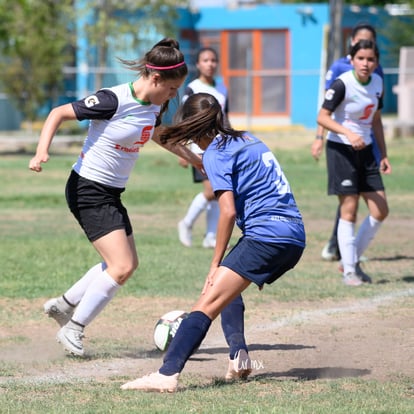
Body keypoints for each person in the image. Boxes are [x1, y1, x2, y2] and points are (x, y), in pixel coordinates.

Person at [28, 38, 203, 357]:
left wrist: (200, 161)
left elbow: (160, 135)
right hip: (87, 189)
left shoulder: (155, 104)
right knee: (120, 266)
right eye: (172, 88)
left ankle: (63, 306)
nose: (174, 95)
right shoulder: (113, 99)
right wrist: (41, 152)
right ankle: (73, 329)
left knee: (125, 263)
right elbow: (57, 113)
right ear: (155, 78)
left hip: (109, 192)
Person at [120, 92, 306, 392]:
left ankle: (166, 375)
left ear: (193, 128)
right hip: (294, 236)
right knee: (229, 288)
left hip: (265, 237)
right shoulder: (247, 140)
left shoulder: (216, 153)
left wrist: (214, 262)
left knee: (207, 301)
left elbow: (228, 211)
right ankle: (238, 356)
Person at [316, 39, 391, 286]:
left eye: (370, 59)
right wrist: (347, 133)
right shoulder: (342, 84)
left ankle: (351, 259)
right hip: (341, 149)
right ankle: (349, 271)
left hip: (367, 151)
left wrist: (384, 154)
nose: (365, 63)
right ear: (352, 59)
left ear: (376, 62)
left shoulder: (378, 83)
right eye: (361, 58)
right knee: (349, 209)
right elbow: (322, 117)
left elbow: (376, 120)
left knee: (381, 210)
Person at [177, 47, 230, 249]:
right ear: (198, 64)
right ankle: (186, 223)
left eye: (213, 60)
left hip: (218, 145)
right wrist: (183, 148)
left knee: (217, 190)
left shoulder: (222, 88)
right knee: (210, 191)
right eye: (205, 60)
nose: (210, 64)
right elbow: (184, 118)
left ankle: (210, 236)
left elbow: (226, 118)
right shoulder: (192, 88)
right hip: (197, 146)